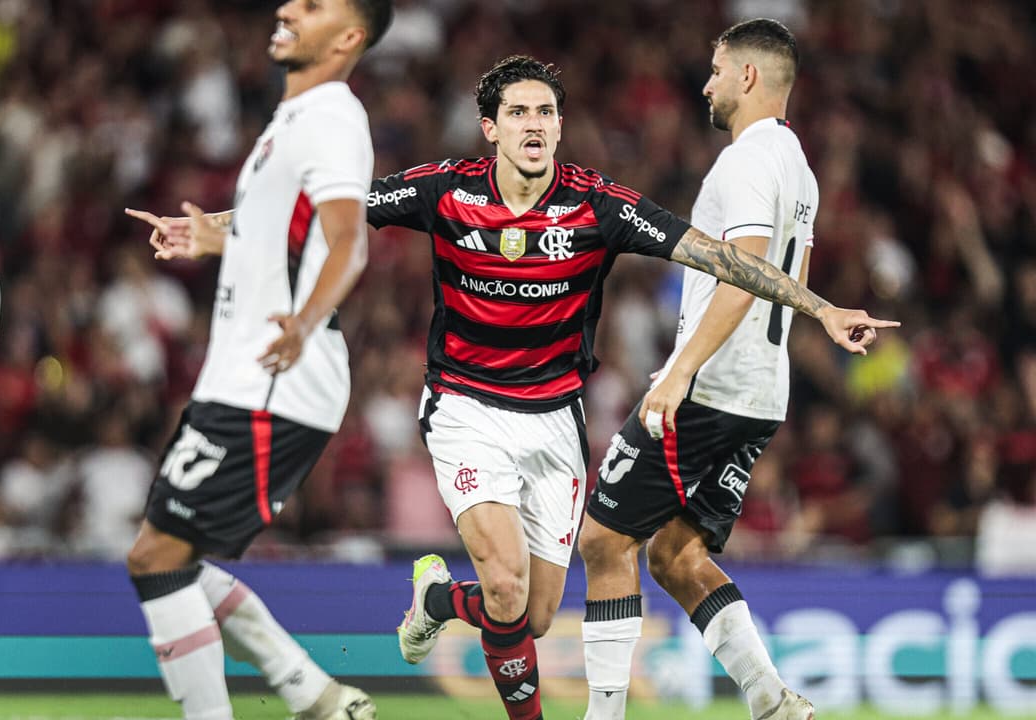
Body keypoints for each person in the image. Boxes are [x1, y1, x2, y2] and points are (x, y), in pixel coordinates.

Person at [148, 54, 893, 720]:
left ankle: (438, 599)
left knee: (531, 618)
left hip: (556, 421)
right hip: (466, 410)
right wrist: (212, 231)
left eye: (545, 112)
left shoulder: (598, 204)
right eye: (518, 113)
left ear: (560, 128)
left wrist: (820, 308)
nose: (533, 125)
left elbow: (723, 260)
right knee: (504, 588)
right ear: (490, 129)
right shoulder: (445, 191)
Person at [120, 1, 390, 719]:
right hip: (240, 374)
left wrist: (303, 322)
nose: (287, 8)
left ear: (350, 37)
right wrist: (214, 238)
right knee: (166, 556)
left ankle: (294, 699)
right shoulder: (289, 125)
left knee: (157, 557)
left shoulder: (333, 114)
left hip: (275, 379)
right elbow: (282, 232)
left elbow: (348, 241)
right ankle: (316, 694)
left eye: (313, 6)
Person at [579, 19, 820, 720]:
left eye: (716, 70)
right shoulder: (798, 168)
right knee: (675, 556)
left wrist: (681, 369)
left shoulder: (745, 161)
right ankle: (771, 701)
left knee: (602, 539)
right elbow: (790, 276)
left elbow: (743, 272)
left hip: (712, 386)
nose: (706, 83)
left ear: (749, 76)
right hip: (762, 391)